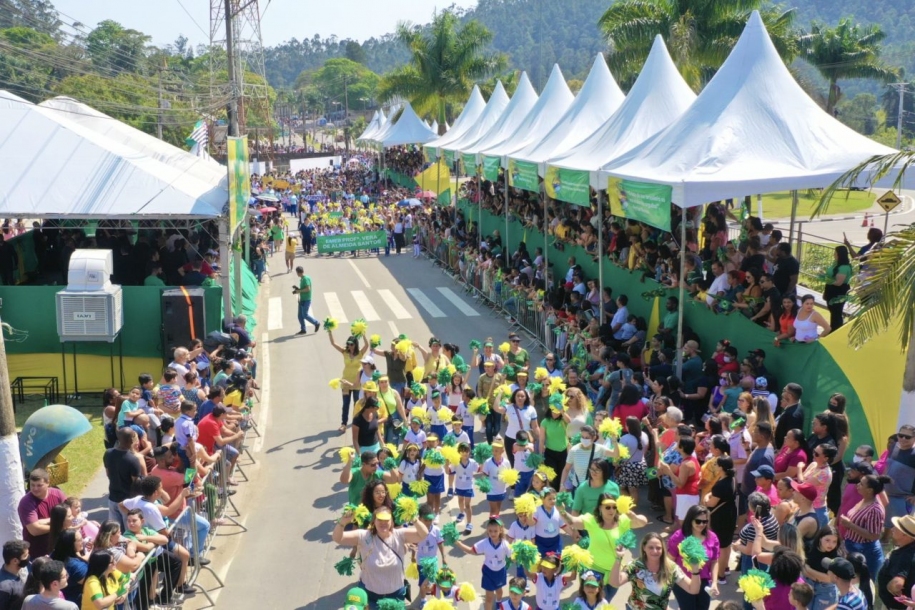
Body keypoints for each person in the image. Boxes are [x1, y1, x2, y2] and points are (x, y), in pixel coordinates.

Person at [561, 494, 648, 600]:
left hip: (614, 572)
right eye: (607, 507)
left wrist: (628, 511)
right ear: (599, 508)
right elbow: (572, 522)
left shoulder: (622, 520)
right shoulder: (592, 520)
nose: (611, 510)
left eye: (614, 507)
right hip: (593, 570)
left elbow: (643, 522)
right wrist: (561, 510)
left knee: (605, 602)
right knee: (596, 602)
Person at [611, 532, 701, 610]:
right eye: (651, 547)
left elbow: (693, 590)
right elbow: (615, 582)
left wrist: (695, 569)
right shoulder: (635, 566)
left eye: (658, 548)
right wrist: (618, 558)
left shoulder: (671, 568)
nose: (655, 551)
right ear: (644, 548)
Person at [668, 505, 720, 610]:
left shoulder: (712, 537)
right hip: (683, 581)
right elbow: (669, 561)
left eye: (705, 521)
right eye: (698, 521)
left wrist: (714, 583)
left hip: (704, 581)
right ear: (690, 520)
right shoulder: (679, 537)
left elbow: (715, 561)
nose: (701, 524)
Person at [17, 469, 67, 559]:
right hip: (38, 553)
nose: (35, 489)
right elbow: (35, 530)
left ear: (48, 483)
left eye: (39, 485)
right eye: (32, 485)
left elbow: (69, 515)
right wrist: (59, 525)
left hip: (60, 547)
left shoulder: (58, 494)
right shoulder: (26, 502)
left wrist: (45, 521)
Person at [705, 456, 738, 586]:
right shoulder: (732, 479)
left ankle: (721, 575)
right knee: (727, 544)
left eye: (717, 464)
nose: (716, 466)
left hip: (721, 517)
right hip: (730, 513)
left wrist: (706, 497)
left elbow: (711, 503)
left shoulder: (721, 484)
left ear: (722, 468)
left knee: (722, 546)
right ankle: (725, 568)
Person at [329, 332, 368, 433]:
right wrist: (330, 331)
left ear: (355, 344)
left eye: (352, 344)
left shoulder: (360, 353)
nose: (350, 346)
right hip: (345, 382)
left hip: (356, 383)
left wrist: (363, 334)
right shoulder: (344, 352)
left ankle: (357, 423)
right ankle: (344, 424)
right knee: (345, 404)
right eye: (348, 344)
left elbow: (367, 345)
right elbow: (333, 343)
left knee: (356, 404)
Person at [877, 514, 915, 609]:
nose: (892, 529)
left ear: (904, 534)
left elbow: (898, 584)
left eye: (896, 528)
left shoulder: (904, 555)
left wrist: (890, 586)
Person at [823, 245, 852, 330]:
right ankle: (833, 328)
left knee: (836, 312)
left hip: (838, 292)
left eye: (835, 253)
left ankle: (835, 329)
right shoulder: (835, 263)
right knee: (832, 311)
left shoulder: (844, 267)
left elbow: (839, 282)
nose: (834, 255)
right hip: (830, 290)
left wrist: (827, 280)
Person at [0, 540, 29, 610]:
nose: (28, 557)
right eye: (25, 556)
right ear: (15, 561)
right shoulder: (4, 588)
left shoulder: (15, 574)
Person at [774, 384, 804, 450]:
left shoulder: (793, 415)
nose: (782, 393)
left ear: (790, 396)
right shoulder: (795, 408)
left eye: (784, 390)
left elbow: (791, 439)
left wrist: (780, 453)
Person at [293, 266, 320, 335]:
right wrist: (297, 289)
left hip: (306, 299)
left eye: (297, 273)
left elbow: (308, 289)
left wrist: (299, 291)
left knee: (305, 315)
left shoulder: (305, 279)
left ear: (298, 272)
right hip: (302, 299)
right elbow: (303, 289)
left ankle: (316, 323)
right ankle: (303, 329)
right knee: (300, 316)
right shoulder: (302, 279)